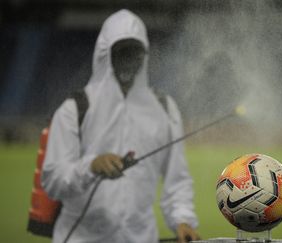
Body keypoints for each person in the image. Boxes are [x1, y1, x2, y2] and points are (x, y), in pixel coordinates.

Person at [41, 9, 200, 243]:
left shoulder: (164, 109)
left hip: (141, 237)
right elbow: (53, 180)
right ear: (105, 54)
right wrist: (91, 166)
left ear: (144, 56)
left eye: (134, 53)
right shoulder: (74, 109)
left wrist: (182, 220)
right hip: (81, 237)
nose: (128, 60)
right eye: (121, 52)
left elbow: (177, 179)